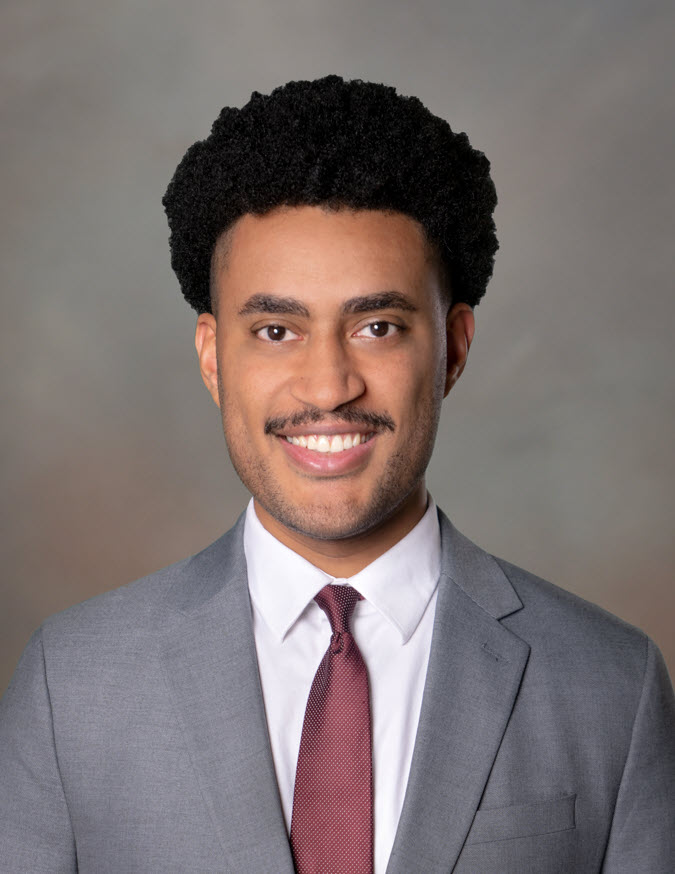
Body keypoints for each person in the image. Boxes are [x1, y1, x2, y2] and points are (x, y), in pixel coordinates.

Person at [0, 75, 673, 874]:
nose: (327, 387)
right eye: (277, 329)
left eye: (377, 326)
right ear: (214, 358)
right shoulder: (71, 680)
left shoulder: (610, 684)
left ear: (453, 349)